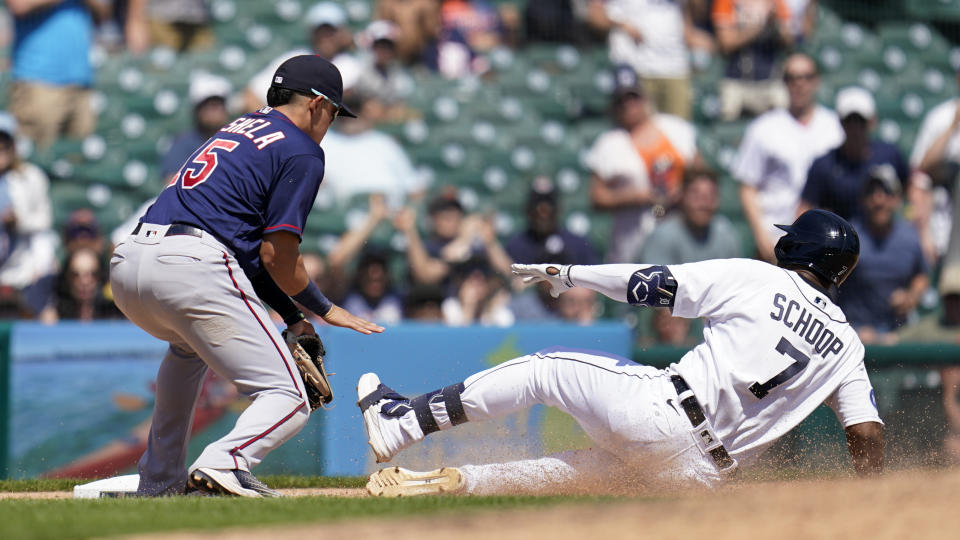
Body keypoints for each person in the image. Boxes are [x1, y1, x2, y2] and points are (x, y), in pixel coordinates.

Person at [357, 209, 883, 497]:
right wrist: (870, 499)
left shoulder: (757, 277)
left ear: (799, 248)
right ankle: (451, 486)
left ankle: (403, 423)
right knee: (566, 475)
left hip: (664, 412)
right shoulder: (847, 346)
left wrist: (569, 275)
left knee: (548, 367)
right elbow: (865, 433)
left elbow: (647, 283)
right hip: (703, 480)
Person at [109, 55, 385, 498]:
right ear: (315, 104)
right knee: (290, 397)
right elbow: (278, 255)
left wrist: (292, 319)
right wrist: (324, 308)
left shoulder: (241, 127)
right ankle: (224, 463)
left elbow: (246, 252)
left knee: (187, 349)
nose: (332, 121)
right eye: (334, 110)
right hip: (191, 266)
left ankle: (159, 482)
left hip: (131, 261)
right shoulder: (302, 149)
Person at [734, 52, 843, 263]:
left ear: (817, 81)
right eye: (792, 78)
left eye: (806, 77)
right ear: (784, 83)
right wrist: (761, 236)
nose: (799, 84)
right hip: (776, 238)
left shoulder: (834, 127)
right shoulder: (764, 128)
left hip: (823, 242)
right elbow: (748, 186)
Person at [585, 66, 698, 263]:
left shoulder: (674, 128)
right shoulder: (609, 142)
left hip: (680, 230)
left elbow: (700, 172)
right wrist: (634, 196)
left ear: (644, 98)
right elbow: (596, 197)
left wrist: (681, 191)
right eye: (622, 100)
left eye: (633, 97)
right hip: (633, 237)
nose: (629, 105)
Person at [838, 169, 929, 344]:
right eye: (871, 193)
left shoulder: (909, 238)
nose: (878, 200)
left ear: (896, 199)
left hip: (898, 334)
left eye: (886, 192)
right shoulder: (848, 237)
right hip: (853, 332)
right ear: (863, 200)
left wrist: (911, 297)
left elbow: (922, 276)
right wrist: (850, 328)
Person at [799, 87, 908, 221]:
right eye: (849, 121)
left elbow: (913, 187)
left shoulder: (890, 155)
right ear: (840, 122)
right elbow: (804, 207)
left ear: (872, 121)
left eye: (860, 121)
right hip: (841, 237)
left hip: (885, 235)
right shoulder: (824, 165)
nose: (855, 128)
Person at [7, 0, 101, 148]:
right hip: (38, 81)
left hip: (81, 80)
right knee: (36, 158)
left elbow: (104, 13)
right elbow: (19, 4)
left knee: (80, 162)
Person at [243, 2, 355, 112]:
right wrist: (277, 124)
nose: (324, 36)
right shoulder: (295, 59)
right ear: (311, 32)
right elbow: (251, 95)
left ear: (342, 33)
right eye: (320, 31)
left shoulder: (353, 66)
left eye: (330, 31)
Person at [0, 112, 57, 320]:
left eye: (5, 144)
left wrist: (18, 220)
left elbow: (44, 221)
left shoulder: (30, 177)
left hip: (20, 270)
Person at [594, 0, 694, 119]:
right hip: (636, 66)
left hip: (675, 65)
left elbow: (692, 11)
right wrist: (622, 24)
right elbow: (595, 15)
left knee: (678, 128)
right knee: (642, 128)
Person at [640, 167, 743, 264]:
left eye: (710, 196)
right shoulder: (663, 236)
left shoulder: (725, 232)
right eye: (696, 195)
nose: (703, 204)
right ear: (682, 196)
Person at [712, 0, 793, 121]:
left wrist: (776, 23)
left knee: (784, 110)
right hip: (736, 79)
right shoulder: (727, 2)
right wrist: (759, 26)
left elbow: (788, 41)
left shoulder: (775, 3)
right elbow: (726, 43)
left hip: (769, 80)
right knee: (726, 115)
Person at [506, 176, 599, 268]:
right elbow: (507, 279)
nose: (543, 211)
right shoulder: (516, 246)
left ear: (559, 208)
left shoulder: (578, 246)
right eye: (537, 204)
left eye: (549, 204)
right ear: (528, 209)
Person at [160, 72, 232, 181]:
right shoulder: (184, 142)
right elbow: (170, 183)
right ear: (197, 110)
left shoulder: (238, 138)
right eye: (209, 105)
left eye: (218, 104)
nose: (215, 110)